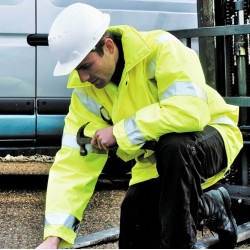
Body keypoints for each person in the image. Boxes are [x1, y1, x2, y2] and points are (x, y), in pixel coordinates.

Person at [37, 3, 243, 249]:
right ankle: (209, 203)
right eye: (76, 69)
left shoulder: (162, 48)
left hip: (210, 138)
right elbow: (74, 161)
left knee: (176, 147)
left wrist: (119, 131)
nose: (82, 78)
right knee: (135, 237)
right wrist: (54, 237)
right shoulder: (86, 93)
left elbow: (190, 112)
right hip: (155, 161)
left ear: (109, 46)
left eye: (85, 66)